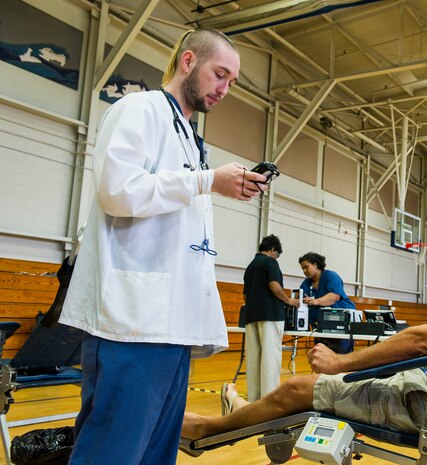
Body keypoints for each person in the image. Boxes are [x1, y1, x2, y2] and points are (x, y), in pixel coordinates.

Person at [181, 192, 427, 444]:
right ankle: (247, 409)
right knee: (319, 384)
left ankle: (207, 428)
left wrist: (340, 363)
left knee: (295, 389)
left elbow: (423, 341)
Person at [59, 28, 270, 465]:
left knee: (156, 454)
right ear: (188, 61)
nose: (225, 89)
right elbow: (117, 191)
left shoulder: (190, 139)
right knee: (113, 452)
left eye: (232, 81)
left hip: (173, 327)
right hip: (132, 322)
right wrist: (208, 181)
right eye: (220, 74)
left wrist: (209, 182)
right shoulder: (139, 109)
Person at [240, 235, 299, 403]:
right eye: (276, 254)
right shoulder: (270, 262)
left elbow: (245, 295)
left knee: (254, 359)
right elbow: (275, 286)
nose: (276, 257)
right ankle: (270, 401)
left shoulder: (250, 267)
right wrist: (289, 301)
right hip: (271, 316)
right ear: (273, 250)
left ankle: (255, 400)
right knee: (270, 358)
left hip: (251, 316)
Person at [299, 252, 356, 354]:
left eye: (306, 267)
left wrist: (316, 301)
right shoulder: (306, 283)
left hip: (341, 326)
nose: (304, 271)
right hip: (320, 328)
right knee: (321, 357)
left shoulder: (331, 276)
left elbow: (334, 296)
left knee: (341, 357)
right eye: (302, 268)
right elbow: (301, 300)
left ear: (315, 265)